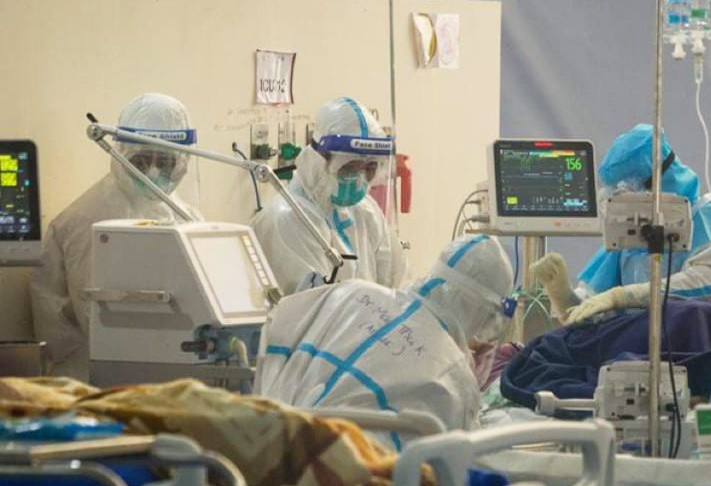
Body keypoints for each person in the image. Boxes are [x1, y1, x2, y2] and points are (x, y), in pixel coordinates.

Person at [254, 234, 515, 449]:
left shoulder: (351, 291)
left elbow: (276, 325)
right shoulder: (454, 376)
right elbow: (457, 465)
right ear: (481, 311)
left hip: (261, 450)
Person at [30, 93, 202, 379]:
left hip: (156, 362)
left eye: (166, 160)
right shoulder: (91, 219)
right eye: (143, 160)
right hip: (93, 371)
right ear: (121, 152)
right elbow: (99, 317)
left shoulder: (181, 212)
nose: (155, 170)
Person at [533, 123, 711, 330]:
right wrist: (565, 298)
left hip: (708, 347)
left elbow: (706, 287)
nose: (621, 204)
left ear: (656, 183)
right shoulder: (630, 239)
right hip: (639, 352)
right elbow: (593, 314)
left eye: (626, 192)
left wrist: (624, 296)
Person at [251, 97, 405, 295]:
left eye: (369, 168)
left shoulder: (366, 211)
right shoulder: (287, 220)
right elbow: (314, 311)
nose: (359, 180)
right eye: (349, 168)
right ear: (318, 161)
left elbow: (395, 286)